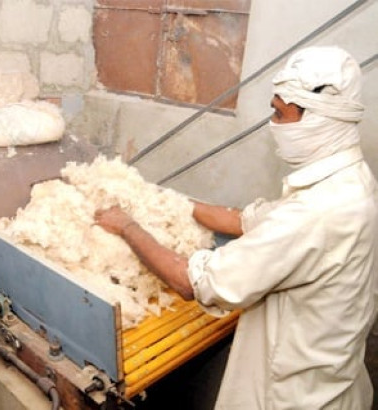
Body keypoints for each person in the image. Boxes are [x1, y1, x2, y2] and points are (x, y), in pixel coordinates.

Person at [95, 46, 378, 409]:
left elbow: (193, 281)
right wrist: (162, 198)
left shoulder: (317, 213)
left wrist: (127, 225)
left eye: (279, 113)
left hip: (293, 398)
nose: (273, 124)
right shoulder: (350, 182)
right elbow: (244, 220)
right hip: (332, 381)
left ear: (317, 120)